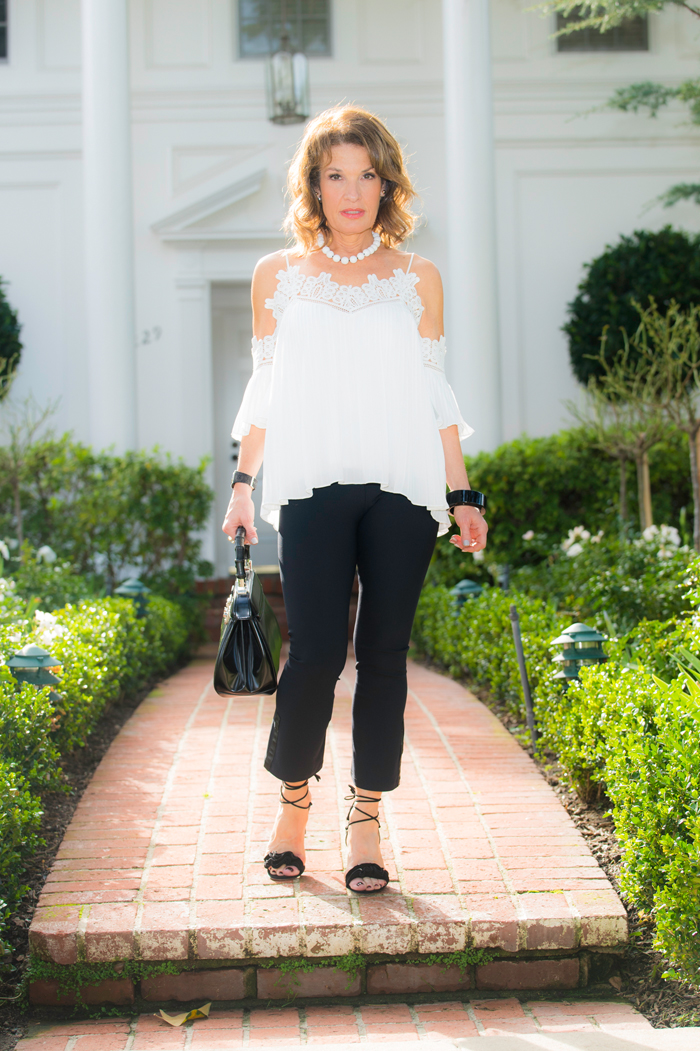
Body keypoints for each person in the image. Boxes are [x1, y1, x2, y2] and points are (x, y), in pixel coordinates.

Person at [222, 105, 488, 894]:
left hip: (403, 487)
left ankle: (366, 815)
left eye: (366, 173)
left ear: (386, 182)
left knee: (383, 658)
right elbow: (266, 388)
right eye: (335, 173)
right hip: (309, 483)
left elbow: (433, 391)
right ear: (314, 183)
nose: (351, 189)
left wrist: (462, 490)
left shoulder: (417, 277)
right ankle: (294, 802)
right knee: (313, 655)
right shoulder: (279, 275)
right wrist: (243, 485)